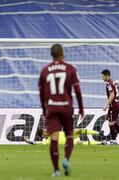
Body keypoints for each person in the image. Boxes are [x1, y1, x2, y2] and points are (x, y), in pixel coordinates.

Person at [38, 44, 84, 177]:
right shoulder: (70, 69)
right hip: (66, 106)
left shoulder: (45, 70)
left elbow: (41, 93)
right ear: (62, 53)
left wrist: (44, 109)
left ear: (51, 55)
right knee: (69, 135)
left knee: (53, 137)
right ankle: (66, 159)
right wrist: (81, 108)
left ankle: (56, 170)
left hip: (51, 107)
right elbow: (77, 90)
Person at [101, 69, 119, 145]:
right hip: (118, 103)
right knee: (112, 122)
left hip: (114, 105)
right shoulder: (114, 82)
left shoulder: (109, 84)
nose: (102, 78)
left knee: (111, 123)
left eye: (102, 76)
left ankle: (113, 140)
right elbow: (117, 90)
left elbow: (112, 95)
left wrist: (106, 105)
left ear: (106, 76)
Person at [24, 128, 102, 145]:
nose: (46, 130)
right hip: (69, 141)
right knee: (79, 142)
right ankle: (100, 143)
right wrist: (29, 141)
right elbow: (38, 144)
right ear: (43, 135)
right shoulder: (46, 141)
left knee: (79, 130)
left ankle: (98, 133)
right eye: (44, 131)